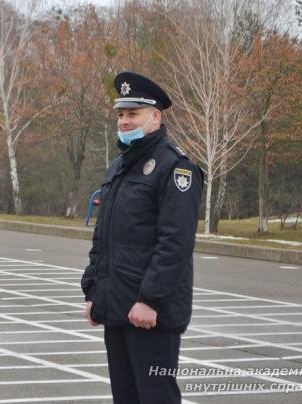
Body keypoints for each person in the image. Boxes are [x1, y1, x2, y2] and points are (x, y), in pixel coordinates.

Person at [81, 72, 203, 404]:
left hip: (150, 314)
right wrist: (94, 291)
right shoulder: (120, 166)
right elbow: (103, 238)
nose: (123, 121)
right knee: (125, 397)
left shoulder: (175, 168)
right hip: (117, 306)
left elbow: (175, 243)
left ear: (155, 117)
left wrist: (151, 300)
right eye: (120, 114)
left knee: (155, 397)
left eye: (132, 114)